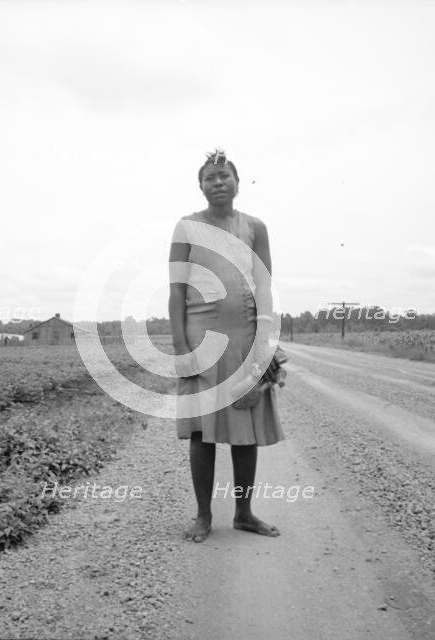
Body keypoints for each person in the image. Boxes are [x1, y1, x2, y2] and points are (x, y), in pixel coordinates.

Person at [169, 149, 285, 543]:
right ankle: (203, 516)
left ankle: (244, 513)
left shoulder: (255, 227)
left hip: (247, 340)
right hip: (202, 343)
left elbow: (265, 286)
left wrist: (265, 343)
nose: (218, 183)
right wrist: (183, 349)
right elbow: (176, 293)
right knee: (204, 433)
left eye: (224, 176)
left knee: (246, 428)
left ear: (238, 181)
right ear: (200, 187)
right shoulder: (187, 227)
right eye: (209, 178)